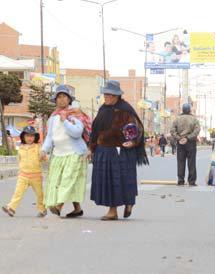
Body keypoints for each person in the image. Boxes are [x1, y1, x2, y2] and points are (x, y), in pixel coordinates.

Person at [90, 80, 148, 221]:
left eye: (109, 94)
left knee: (121, 180)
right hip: (104, 150)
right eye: (105, 94)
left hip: (121, 151)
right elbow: (95, 130)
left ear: (117, 96)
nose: (106, 97)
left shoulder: (125, 109)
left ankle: (129, 202)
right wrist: (91, 148)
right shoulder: (103, 109)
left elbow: (137, 128)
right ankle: (113, 210)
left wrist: (133, 141)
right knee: (109, 181)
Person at [42, 85, 90, 217]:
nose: (62, 99)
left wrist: (65, 121)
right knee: (57, 181)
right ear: (55, 100)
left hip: (74, 154)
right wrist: (44, 150)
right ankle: (77, 209)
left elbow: (77, 132)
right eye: (59, 97)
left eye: (64, 97)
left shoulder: (74, 114)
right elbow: (50, 137)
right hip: (58, 155)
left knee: (67, 180)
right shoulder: (52, 118)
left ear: (69, 99)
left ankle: (58, 206)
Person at [2, 126, 46, 217]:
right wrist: (19, 171)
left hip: (36, 176)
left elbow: (43, 158)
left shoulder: (38, 147)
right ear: (23, 137)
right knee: (18, 192)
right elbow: (20, 160)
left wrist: (43, 156)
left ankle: (42, 209)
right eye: (27, 136)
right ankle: (11, 208)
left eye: (32, 136)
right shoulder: (21, 148)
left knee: (40, 194)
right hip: (23, 175)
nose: (30, 138)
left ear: (35, 137)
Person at [170, 103, 200, 186]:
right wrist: (188, 138)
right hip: (191, 142)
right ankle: (191, 181)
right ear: (189, 110)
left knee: (180, 162)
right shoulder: (194, 119)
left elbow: (172, 131)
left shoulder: (177, 119)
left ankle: (180, 180)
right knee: (191, 162)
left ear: (182, 110)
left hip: (180, 143)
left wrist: (179, 138)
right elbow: (197, 131)